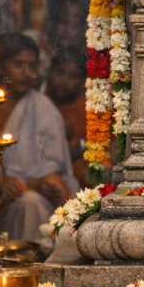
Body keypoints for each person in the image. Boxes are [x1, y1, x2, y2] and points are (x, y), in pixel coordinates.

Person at [0, 33, 77, 242]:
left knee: (29, 202)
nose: (26, 72)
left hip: (29, 201)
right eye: (19, 64)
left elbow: (52, 170)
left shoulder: (44, 108)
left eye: (32, 66)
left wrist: (33, 184)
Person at [45, 48, 88, 188]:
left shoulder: (88, 110)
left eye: (73, 76)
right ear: (51, 72)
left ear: (82, 81)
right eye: (60, 72)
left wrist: (78, 143)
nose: (64, 81)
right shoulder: (39, 104)